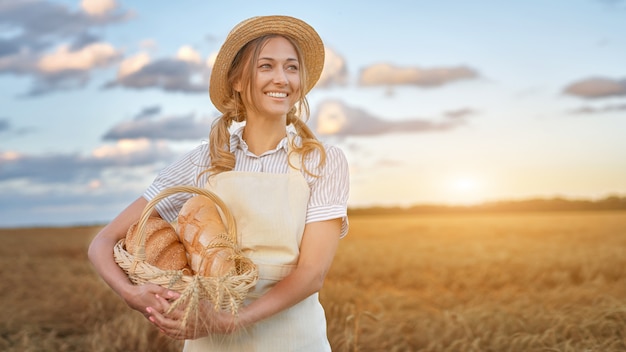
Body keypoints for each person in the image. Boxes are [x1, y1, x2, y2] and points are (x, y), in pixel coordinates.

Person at [88, 15, 349, 351]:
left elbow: (312, 274)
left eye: (292, 67)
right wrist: (131, 293)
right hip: (209, 341)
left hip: (294, 340)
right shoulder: (203, 160)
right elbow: (103, 241)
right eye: (266, 66)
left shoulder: (323, 161)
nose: (282, 79)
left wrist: (229, 321)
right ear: (237, 81)